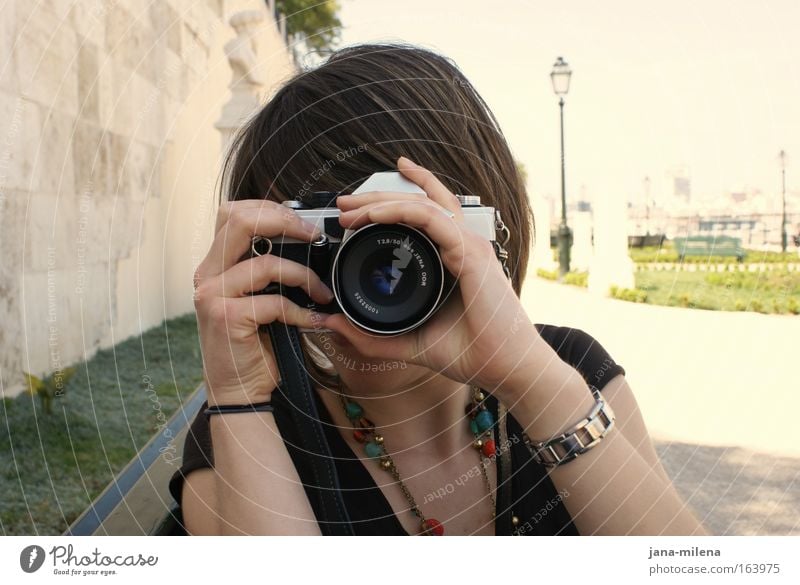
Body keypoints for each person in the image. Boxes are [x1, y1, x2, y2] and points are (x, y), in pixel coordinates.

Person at [169, 43, 706, 536]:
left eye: (404, 231)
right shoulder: (253, 433)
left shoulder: (569, 369)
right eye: (328, 234)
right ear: (266, 248)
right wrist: (236, 396)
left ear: (485, 229)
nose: (372, 268)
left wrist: (532, 381)